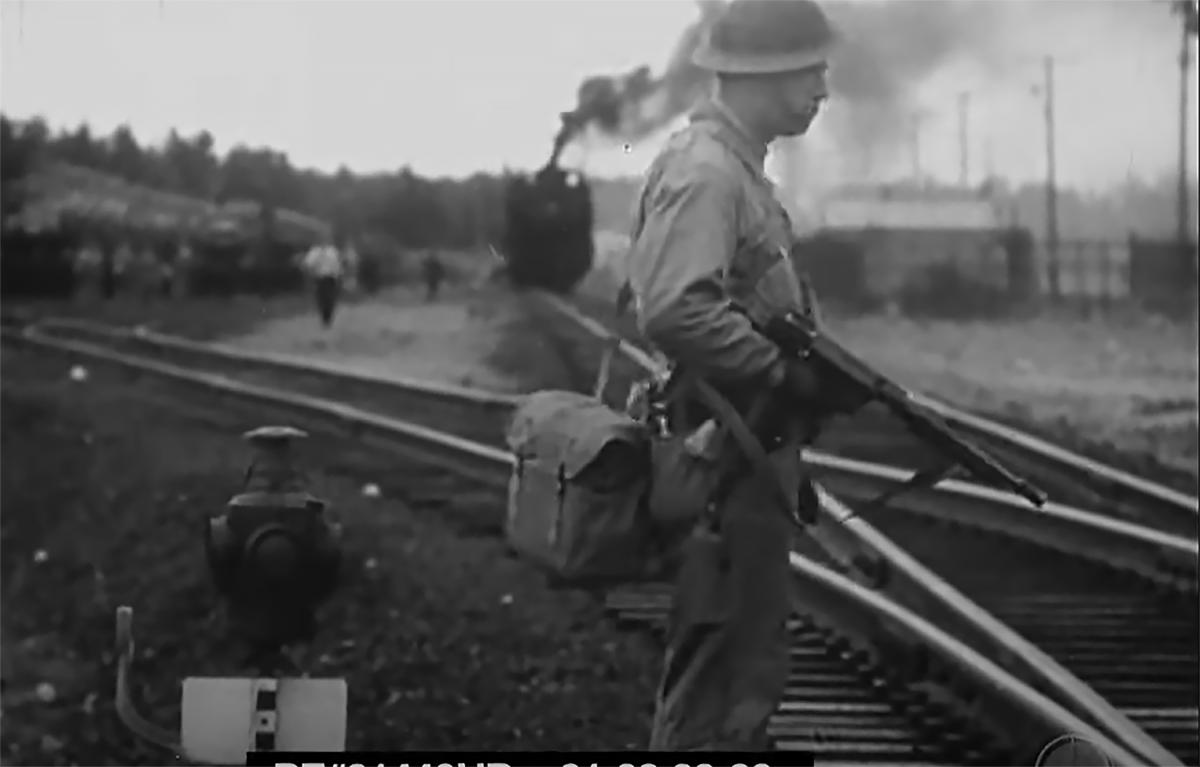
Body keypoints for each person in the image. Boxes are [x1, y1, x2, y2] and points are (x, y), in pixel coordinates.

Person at [624, 0, 868, 750]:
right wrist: (778, 372)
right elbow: (672, 307)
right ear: (761, 73)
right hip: (722, 460)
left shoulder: (734, 170)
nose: (823, 88)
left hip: (741, 455)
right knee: (723, 666)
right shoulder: (708, 175)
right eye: (811, 69)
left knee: (742, 658)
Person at [303, 235, 346, 328]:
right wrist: (312, 271)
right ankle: (324, 317)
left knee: (330, 298)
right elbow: (308, 264)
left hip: (330, 278)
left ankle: (328, 316)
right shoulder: (314, 252)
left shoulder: (332, 251)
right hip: (319, 278)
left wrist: (339, 274)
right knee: (321, 298)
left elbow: (337, 263)